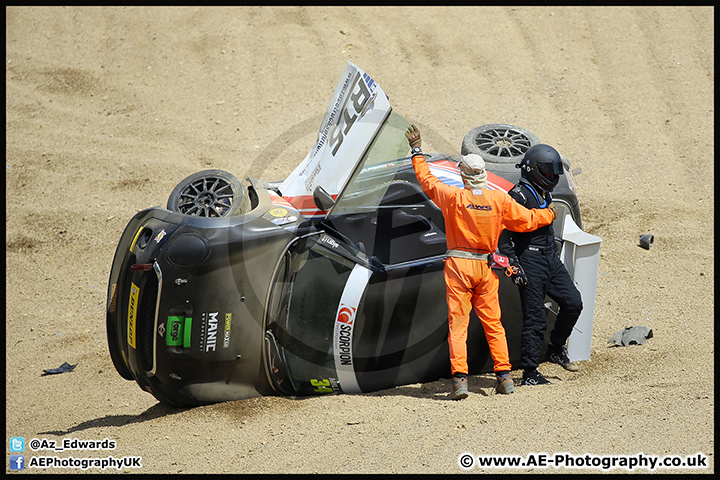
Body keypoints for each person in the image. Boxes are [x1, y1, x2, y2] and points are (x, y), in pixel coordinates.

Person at [405, 125, 557, 400]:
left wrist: (416, 150)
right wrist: (551, 213)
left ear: (462, 175)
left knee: (458, 326)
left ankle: (460, 382)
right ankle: (504, 378)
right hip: (487, 267)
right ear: (485, 174)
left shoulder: (453, 198)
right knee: (493, 324)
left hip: (459, 268)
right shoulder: (498, 199)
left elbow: (426, 180)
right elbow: (528, 221)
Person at [498, 144, 584, 386]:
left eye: (554, 171)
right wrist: (513, 265)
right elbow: (503, 236)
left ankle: (556, 348)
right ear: (534, 169)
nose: (552, 177)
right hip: (530, 259)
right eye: (548, 171)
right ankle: (530, 372)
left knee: (573, 303)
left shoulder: (542, 192)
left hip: (549, 257)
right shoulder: (519, 196)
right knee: (535, 318)